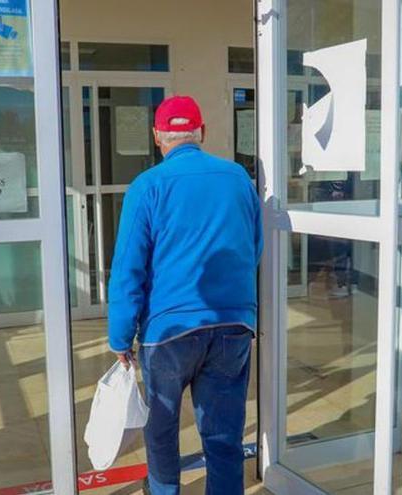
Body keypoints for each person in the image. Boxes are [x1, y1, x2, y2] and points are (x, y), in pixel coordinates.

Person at [108, 96, 263, 495]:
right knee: (223, 437)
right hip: (232, 325)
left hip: (169, 331)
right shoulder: (237, 180)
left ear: (158, 136)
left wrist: (121, 336)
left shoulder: (147, 186)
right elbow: (254, 247)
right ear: (203, 133)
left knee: (161, 434)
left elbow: (128, 268)